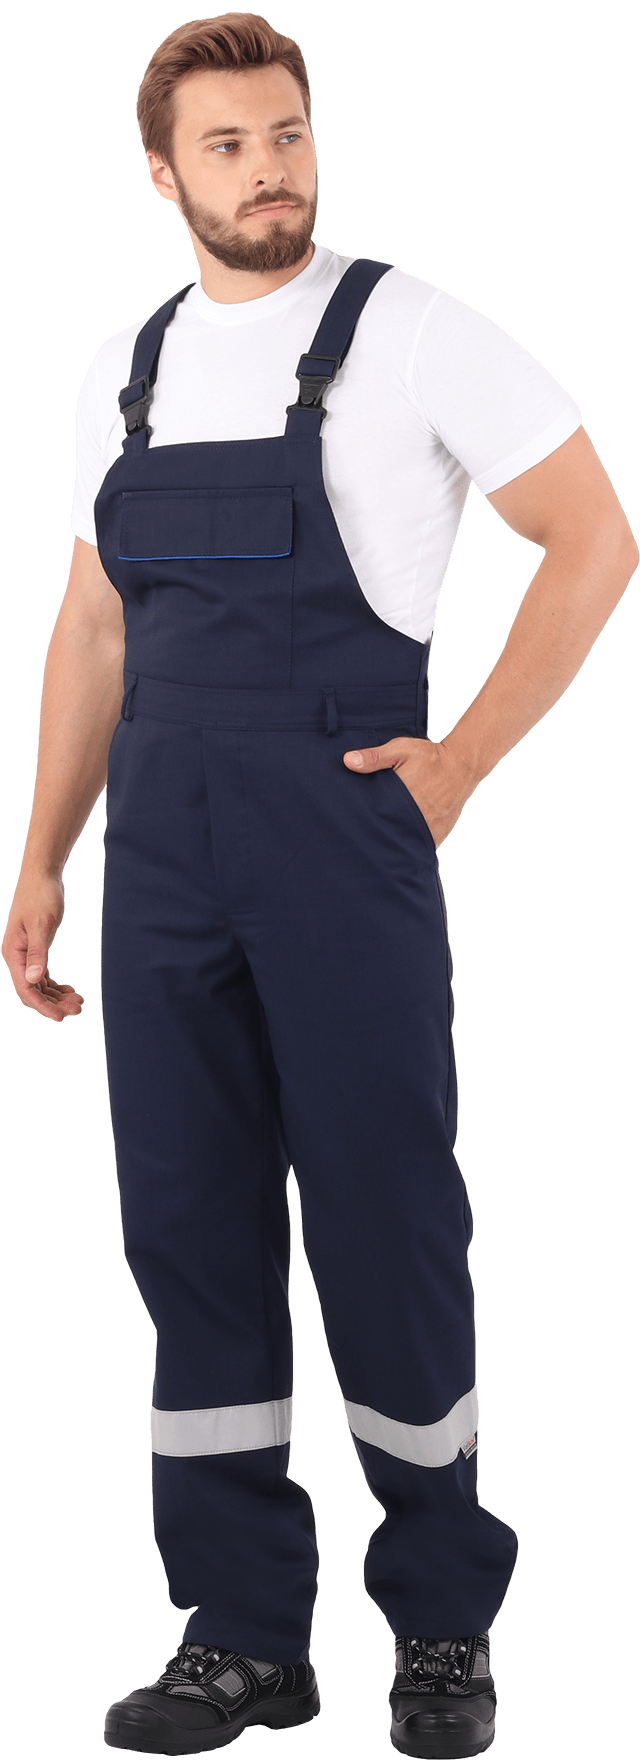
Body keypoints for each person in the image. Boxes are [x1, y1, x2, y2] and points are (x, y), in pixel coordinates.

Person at [2, 13, 637, 1758]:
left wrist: (463, 761)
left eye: (285, 133)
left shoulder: (410, 332)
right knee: (185, 1224)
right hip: (161, 855)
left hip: (343, 831)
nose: (269, 168)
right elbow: (95, 628)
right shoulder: (123, 374)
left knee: (383, 1212)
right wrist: (46, 855)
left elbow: (594, 537)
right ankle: (242, 1635)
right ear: (164, 173)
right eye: (227, 144)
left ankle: (440, 1620)